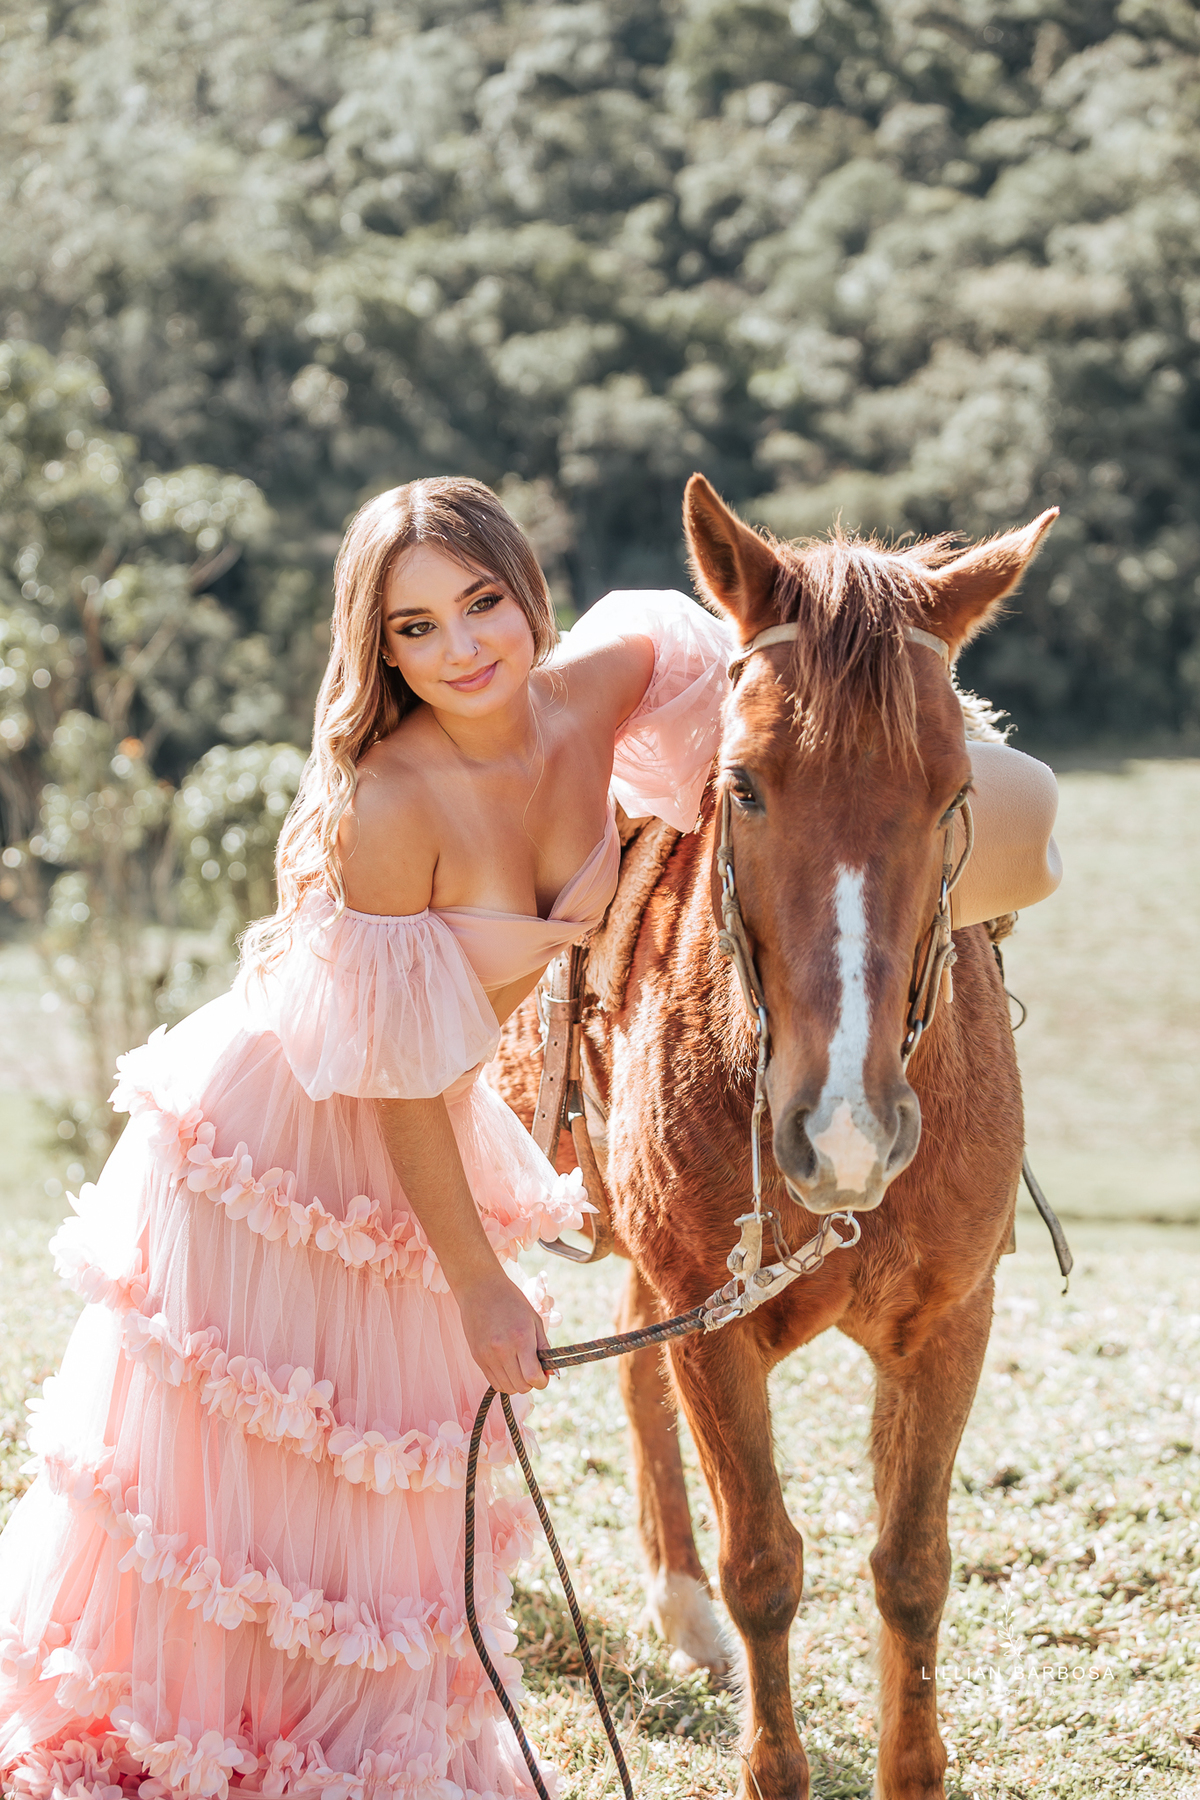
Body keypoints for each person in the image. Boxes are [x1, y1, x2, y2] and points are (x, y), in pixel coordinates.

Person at [0, 476, 1060, 1800]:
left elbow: (816, 727)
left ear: (529, 595)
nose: (462, 649)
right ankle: (221, 1744)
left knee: (380, 1494)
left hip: (421, 1113)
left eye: (482, 603)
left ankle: (350, 1746)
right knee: (263, 1497)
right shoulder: (390, 803)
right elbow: (396, 1083)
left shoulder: (622, 671)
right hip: (304, 1144)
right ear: (374, 651)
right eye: (414, 629)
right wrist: (481, 1281)